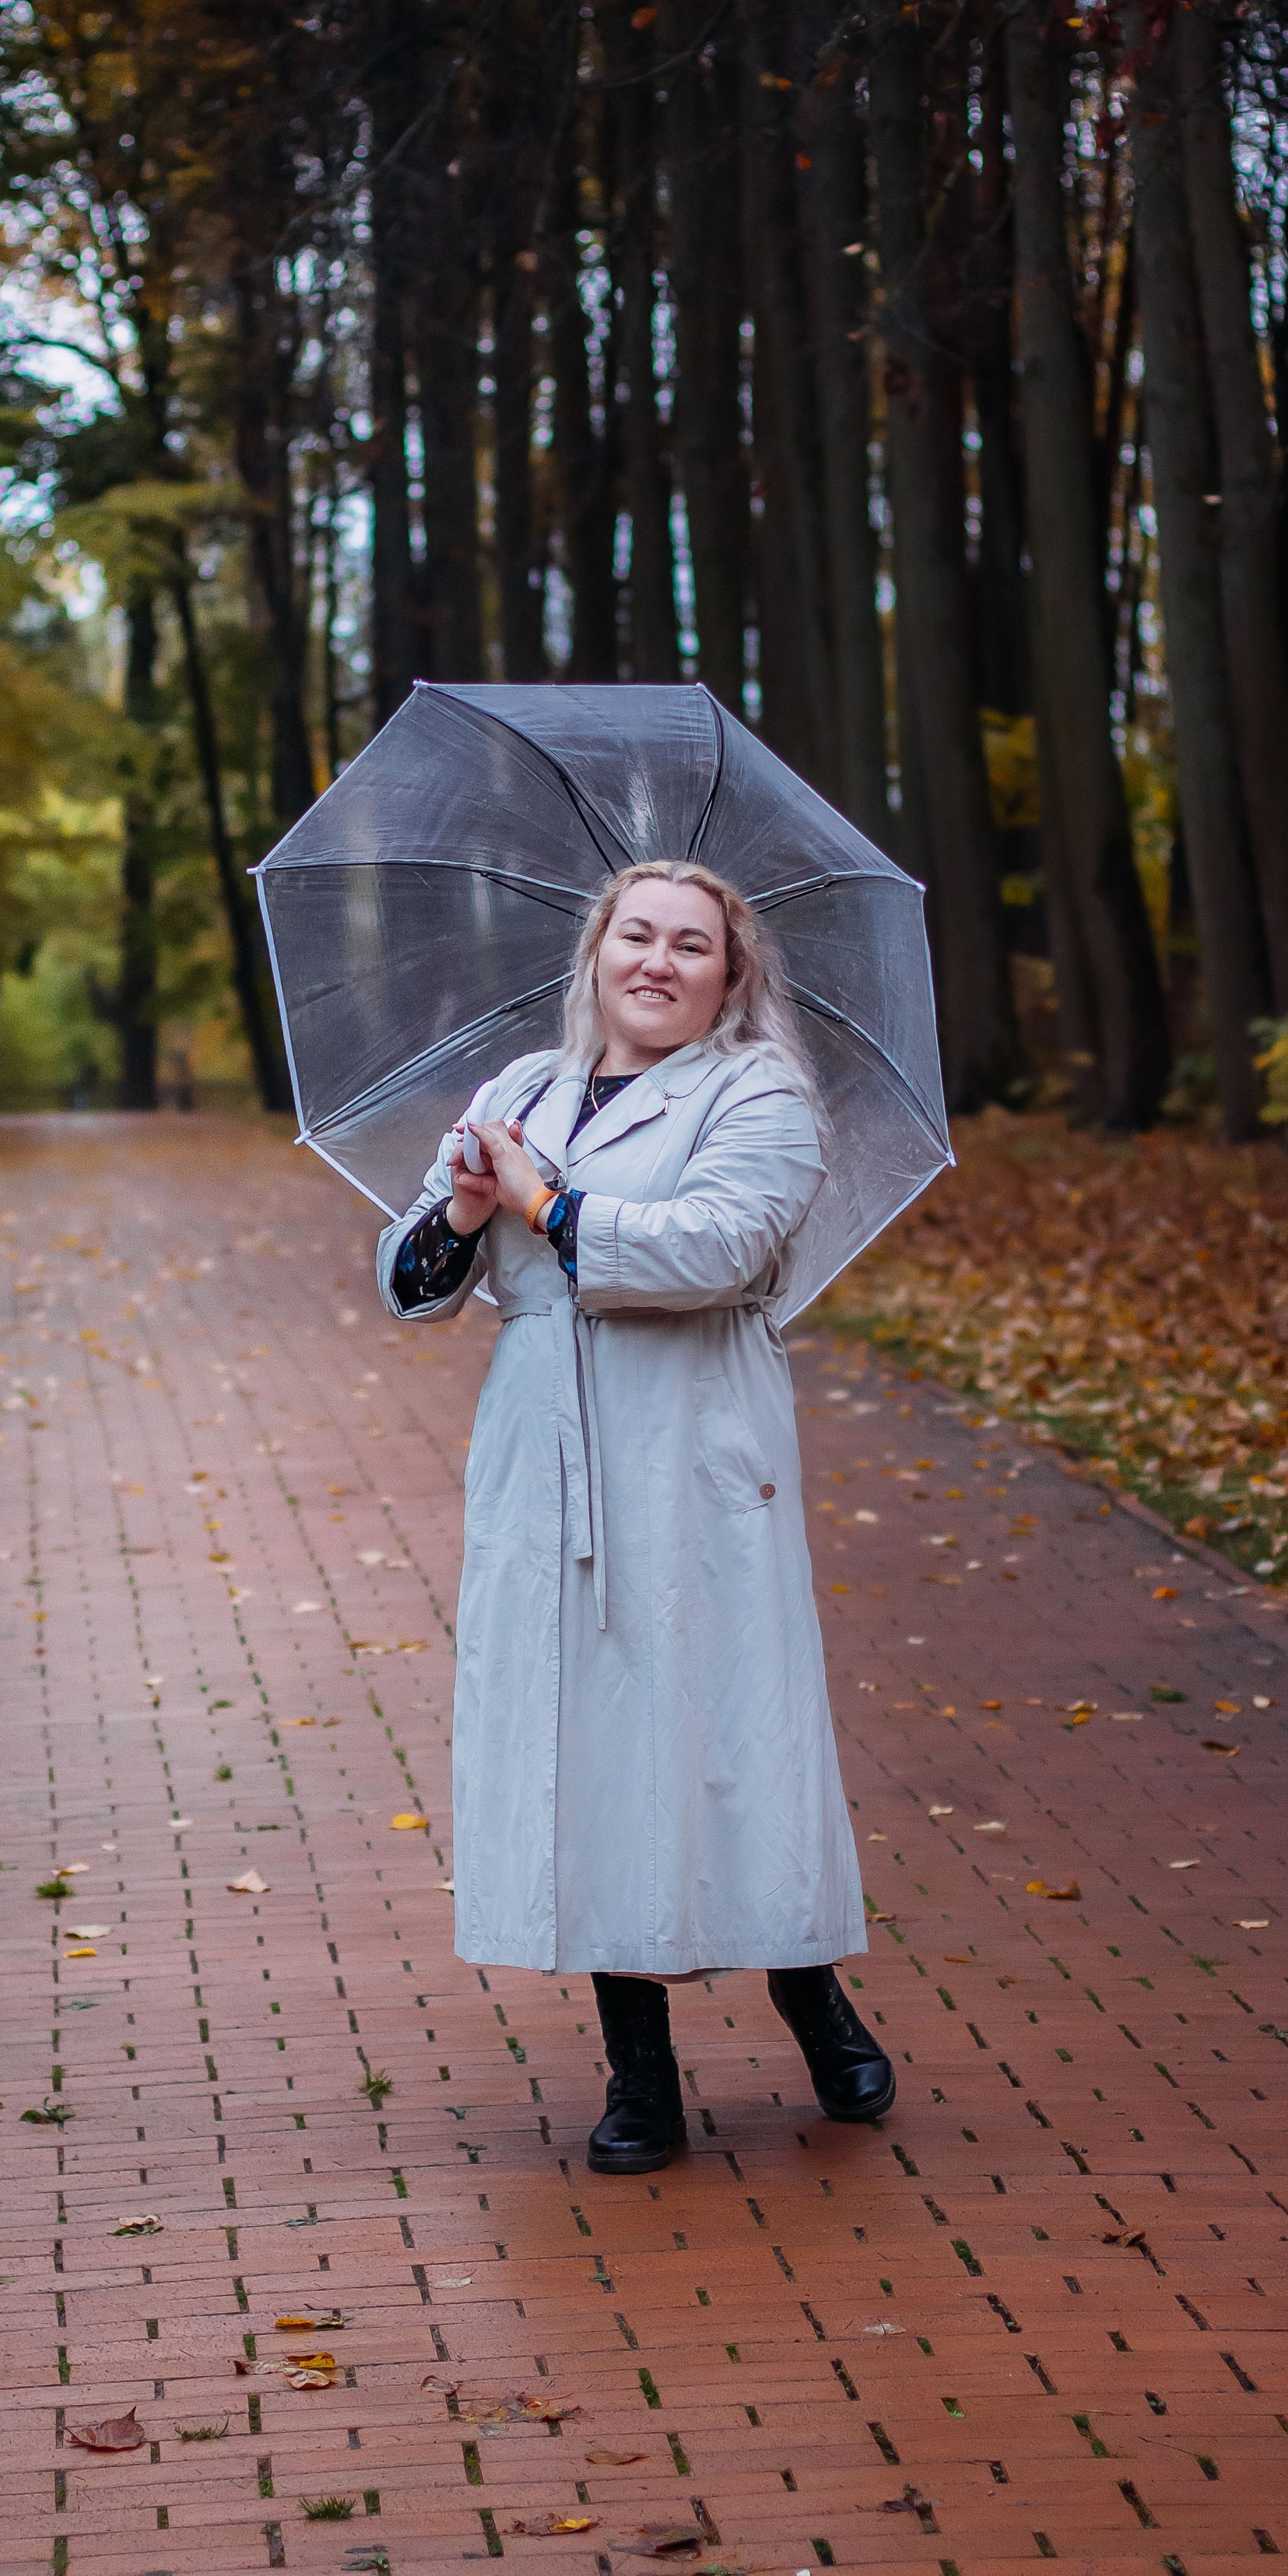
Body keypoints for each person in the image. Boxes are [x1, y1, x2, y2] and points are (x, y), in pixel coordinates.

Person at [376, 860, 893, 2174]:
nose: (658, 962)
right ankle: (639, 2076)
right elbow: (417, 1282)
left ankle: (805, 1991)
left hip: (695, 1446)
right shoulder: (518, 1093)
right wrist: (464, 1207)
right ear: (596, 952)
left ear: (730, 975)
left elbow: (711, 1250)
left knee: (728, 1731)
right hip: (541, 1448)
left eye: (691, 945)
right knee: (583, 1745)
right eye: (636, 935)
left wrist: (546, 1203)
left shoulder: (758, 1094)